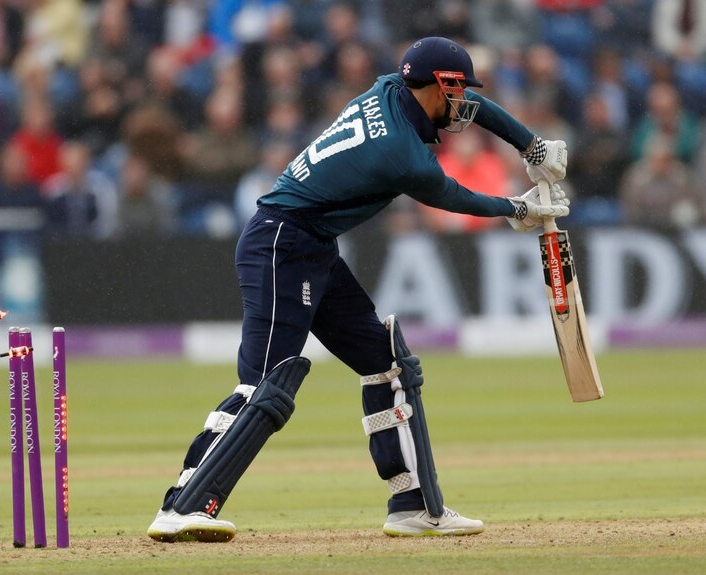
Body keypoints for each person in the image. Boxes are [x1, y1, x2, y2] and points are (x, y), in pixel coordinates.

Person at [147, 36, 570, 543]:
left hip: (313, 246)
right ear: (442, 84)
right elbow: (451, 196)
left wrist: (533, 147)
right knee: (266, 385)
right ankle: (184, 505)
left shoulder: (389, 88)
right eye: (458, 93)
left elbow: (479, 110)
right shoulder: (401, 153)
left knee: (387, 365)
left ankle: (413, 506)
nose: (462, 107)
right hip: (282, 243)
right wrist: (517, 209)